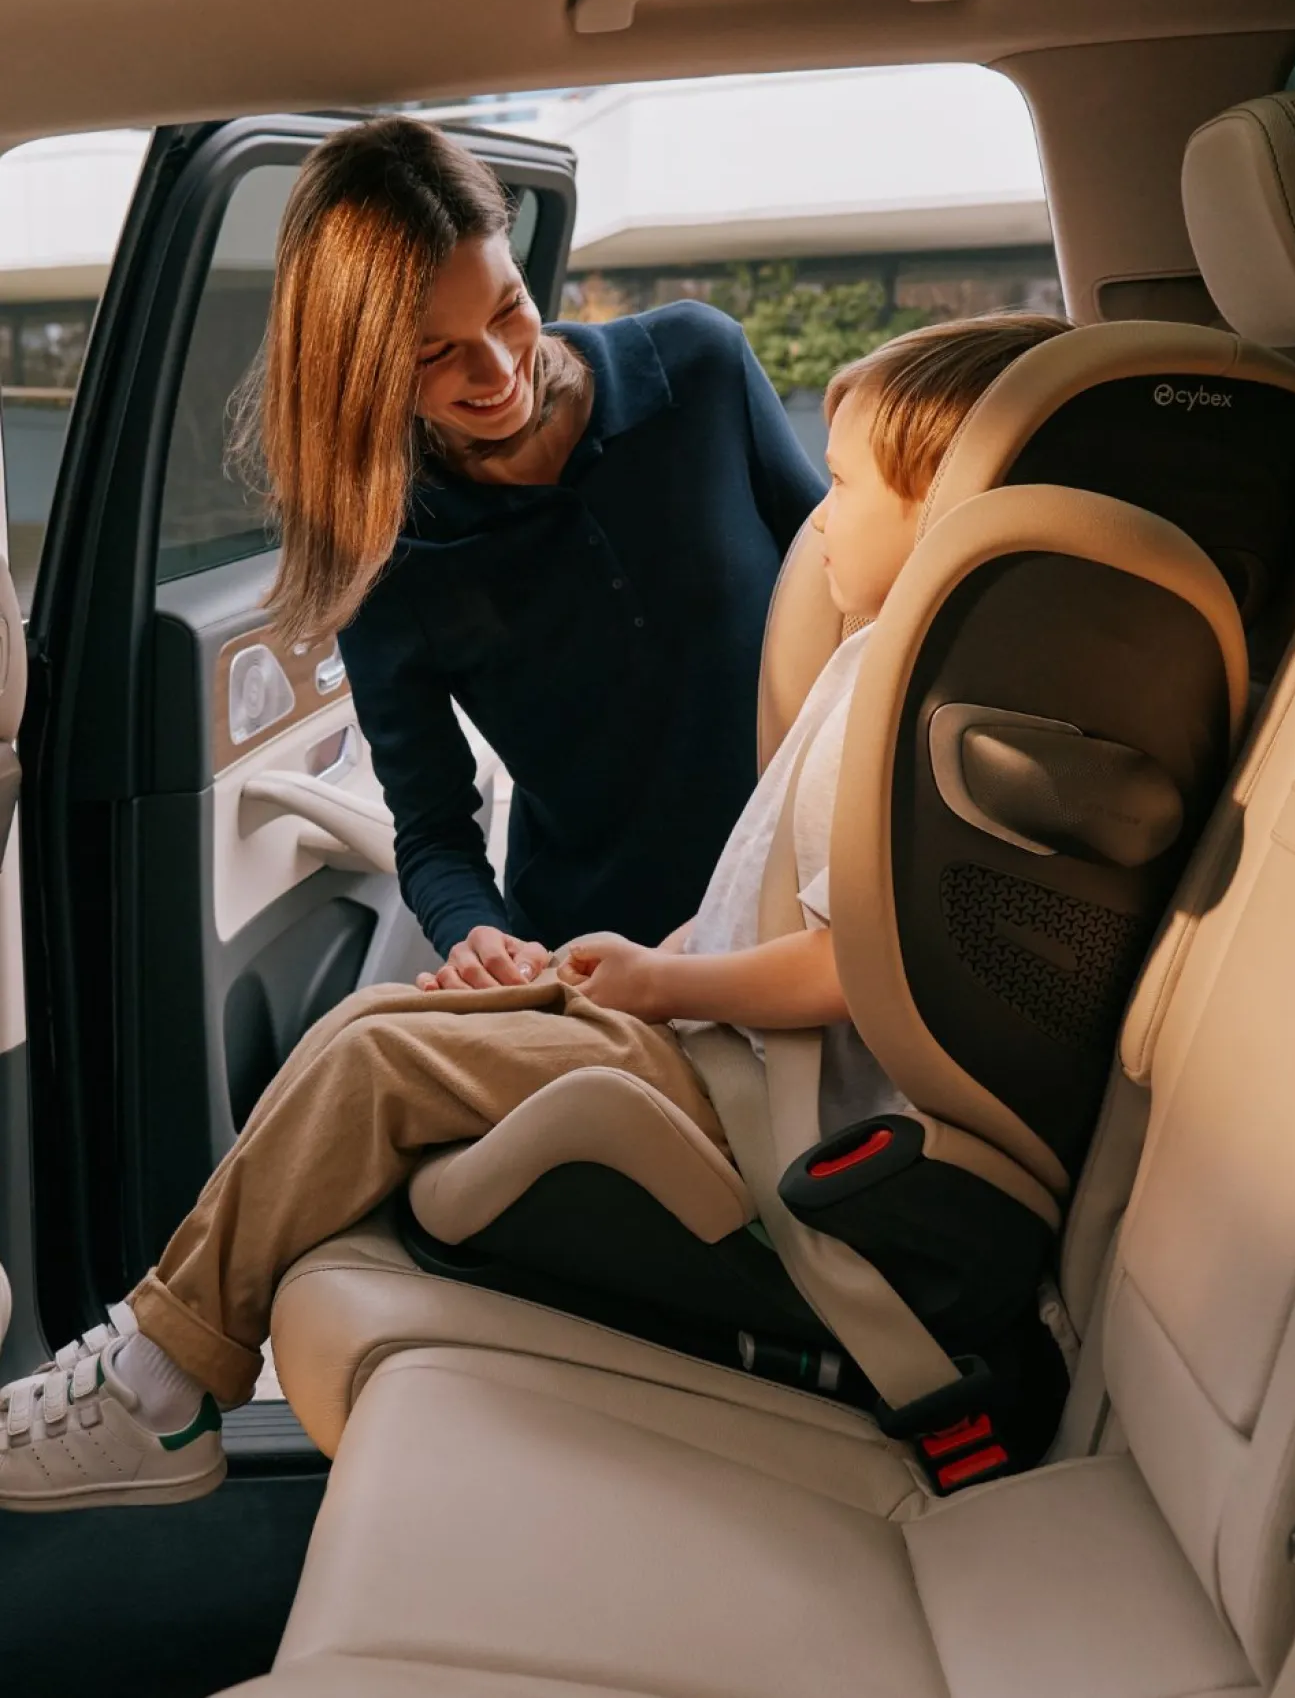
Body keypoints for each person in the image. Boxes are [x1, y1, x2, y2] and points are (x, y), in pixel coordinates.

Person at [0, 311, 1070, 1510]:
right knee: (363, 1025)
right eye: (434, 353)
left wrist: (664, 979)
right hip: (709, 1010)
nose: (817, 515)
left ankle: (157, 1380)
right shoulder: (865, 666)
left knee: (372, 1063)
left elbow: (859, 960)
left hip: (762, 1074)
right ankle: (157, 1345)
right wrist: (571, 953)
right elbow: (479, 837)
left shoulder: (892, 692)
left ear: (945, 510)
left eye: (844, 486)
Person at [237, 115, 826, 994]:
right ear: (363, 369)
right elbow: (433, 831)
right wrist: (477, 937)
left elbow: (853, 608)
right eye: (436, 353)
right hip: (595, 973)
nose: (496, 371)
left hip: (802, 916)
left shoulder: (698, 367)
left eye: (507, 308)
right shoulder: (385, 552)